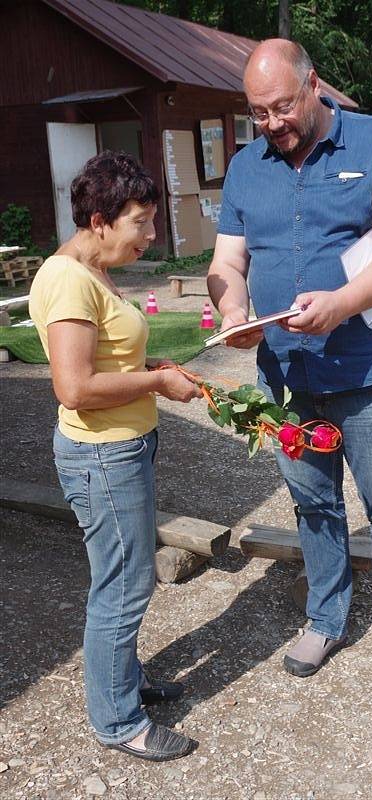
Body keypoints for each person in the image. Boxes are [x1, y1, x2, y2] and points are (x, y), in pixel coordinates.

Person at [208, 40, 372, 692]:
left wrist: (342, 304)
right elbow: (226, 263)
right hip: (285, 381)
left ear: (314, 85)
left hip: (369, 374)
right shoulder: (247, 167)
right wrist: (231, 311)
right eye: (258, 113)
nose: (272, 123)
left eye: (282, 106)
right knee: (313, 504)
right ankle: (325, 617)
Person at [29, 151, 202, 760]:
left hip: (123, 450)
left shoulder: (94, 271)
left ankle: (121, 681)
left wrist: (146, 367)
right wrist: (155, 386)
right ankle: (117, 721)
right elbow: (73, 388)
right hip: (103, 459)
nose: (151, 236)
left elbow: (104, 362)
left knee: (125, 578)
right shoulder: (68, 278)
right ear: (100, 220)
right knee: (123, 588)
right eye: (141, 222)